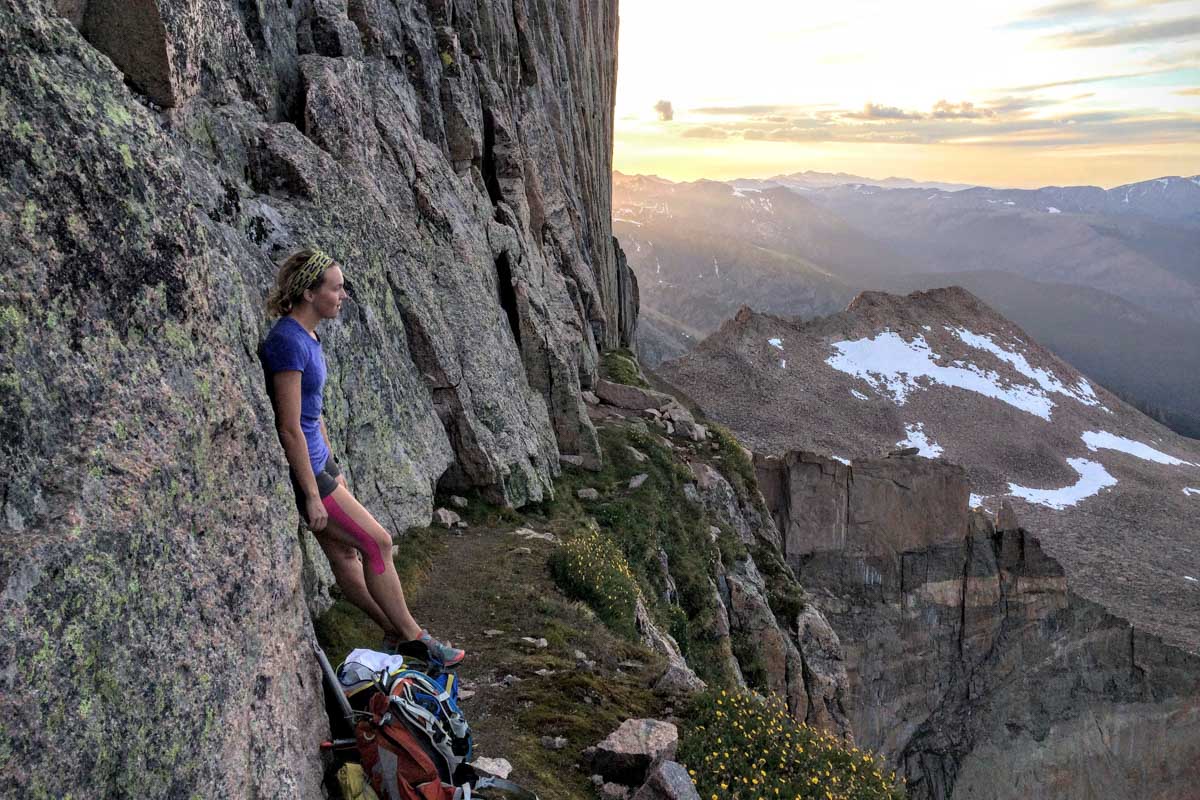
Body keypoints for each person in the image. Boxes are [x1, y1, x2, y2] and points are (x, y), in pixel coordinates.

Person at [259, 247, 464, 668]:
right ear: (309, 293)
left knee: (346, 555)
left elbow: (314, 412)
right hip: (309, 473)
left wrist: (332, 462)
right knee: (378, 542)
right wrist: (313, 494)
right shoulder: (286, 343)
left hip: (321, 465)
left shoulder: (309, 337)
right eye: (336, 288)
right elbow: (289, 425)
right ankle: (415, 637)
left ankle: (391, 629)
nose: (343, 295)